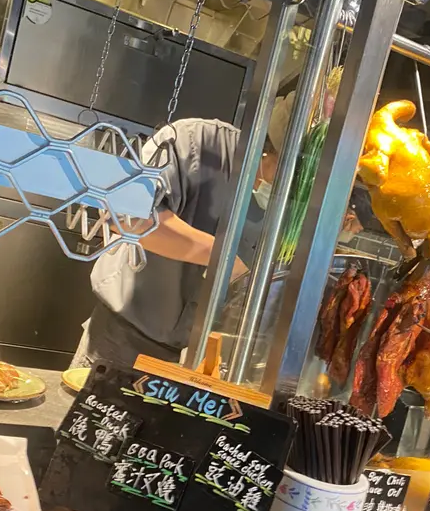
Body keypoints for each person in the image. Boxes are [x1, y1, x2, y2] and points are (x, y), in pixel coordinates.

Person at [72, 116, 281, 371]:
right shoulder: (196, 141)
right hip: (121, 339)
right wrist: (221, 257)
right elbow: (124, 215)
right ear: (269, 152)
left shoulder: (292, 202)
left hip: (198, 361)